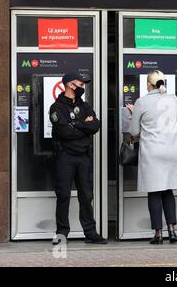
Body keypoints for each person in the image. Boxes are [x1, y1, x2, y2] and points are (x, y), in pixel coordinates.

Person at [49, 72, 107, 245]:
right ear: (69, 85)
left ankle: (90, 233)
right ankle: (62, 233)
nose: (83, 87)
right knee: (63, 195)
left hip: (83, 157)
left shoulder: (85, 106)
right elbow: (64, 132)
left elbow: (95, 125)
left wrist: (76, 124)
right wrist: (84, 125)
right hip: (65, 157)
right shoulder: (57, 107)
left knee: (86, 195)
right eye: (80, 84)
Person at [127, 70, 177, 244]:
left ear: (148, 84)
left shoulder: (141, 102)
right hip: (172, 151)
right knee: (168, 191)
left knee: (154, 192)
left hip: (153, 152)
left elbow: (134, 131)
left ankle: (158, 234)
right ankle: (172, 231)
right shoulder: (173, 99)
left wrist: (132, 112)